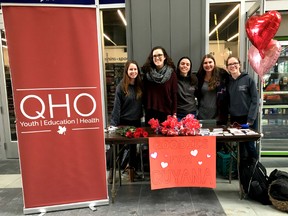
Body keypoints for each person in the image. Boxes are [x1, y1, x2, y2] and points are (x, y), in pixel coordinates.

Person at [109, 60, 143, 183]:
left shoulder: (140, 86)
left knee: (133, 149)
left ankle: (131, 171)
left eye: (135, 69)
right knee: (118, 148)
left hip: (136, 122)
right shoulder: (121, 87)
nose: (133, 72)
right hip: (123, 122)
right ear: (126, 71)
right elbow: (116, 107)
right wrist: (113, 124)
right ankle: (112, 171)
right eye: (131, 69)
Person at [226, 56, 259, 162]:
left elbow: (255, 100)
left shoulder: (248, 79)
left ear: (239, 64)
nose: (232, 66)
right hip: (236, 119)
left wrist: (250, 120)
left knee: (250, 145)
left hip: (248, 119)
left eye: (235, 63)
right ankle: (243, 172)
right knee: (241, 148)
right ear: (227, 67)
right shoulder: (228, 82)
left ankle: (255, 169)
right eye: (230, 64)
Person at [142, 46, 178, 125]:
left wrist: (174, 113)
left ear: (165, 57)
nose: (157, 58)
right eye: (154, 56)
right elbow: (144, 95)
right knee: (151, 136)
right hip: (150, 114)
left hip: (167, 114)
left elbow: (174, 95)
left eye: (159, 55)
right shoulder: (147, 74)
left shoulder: (172, 74)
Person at [196, 54, 229, 125]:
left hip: (218, 113)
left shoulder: (222, 74)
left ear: (214, 63)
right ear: (202, 65)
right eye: (205, 63)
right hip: (202, 113)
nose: (208, 65)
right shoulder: (199, 77)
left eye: (210, 62)